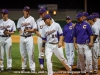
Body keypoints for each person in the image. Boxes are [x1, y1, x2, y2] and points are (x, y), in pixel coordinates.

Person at [17, 6, 37, 72]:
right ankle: (23, 67)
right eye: (25, 10)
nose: (26, 12)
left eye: (27, 10)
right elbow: (19, 28)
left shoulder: (32, 19)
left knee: (31, 53)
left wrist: (28, 31)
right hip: (22, 38)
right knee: (22, 53)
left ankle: (32, 68)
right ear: (23, 11)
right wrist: (21, 31)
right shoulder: (20, 19)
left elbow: (34, 29)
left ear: (29, 11)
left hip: (29, 37)